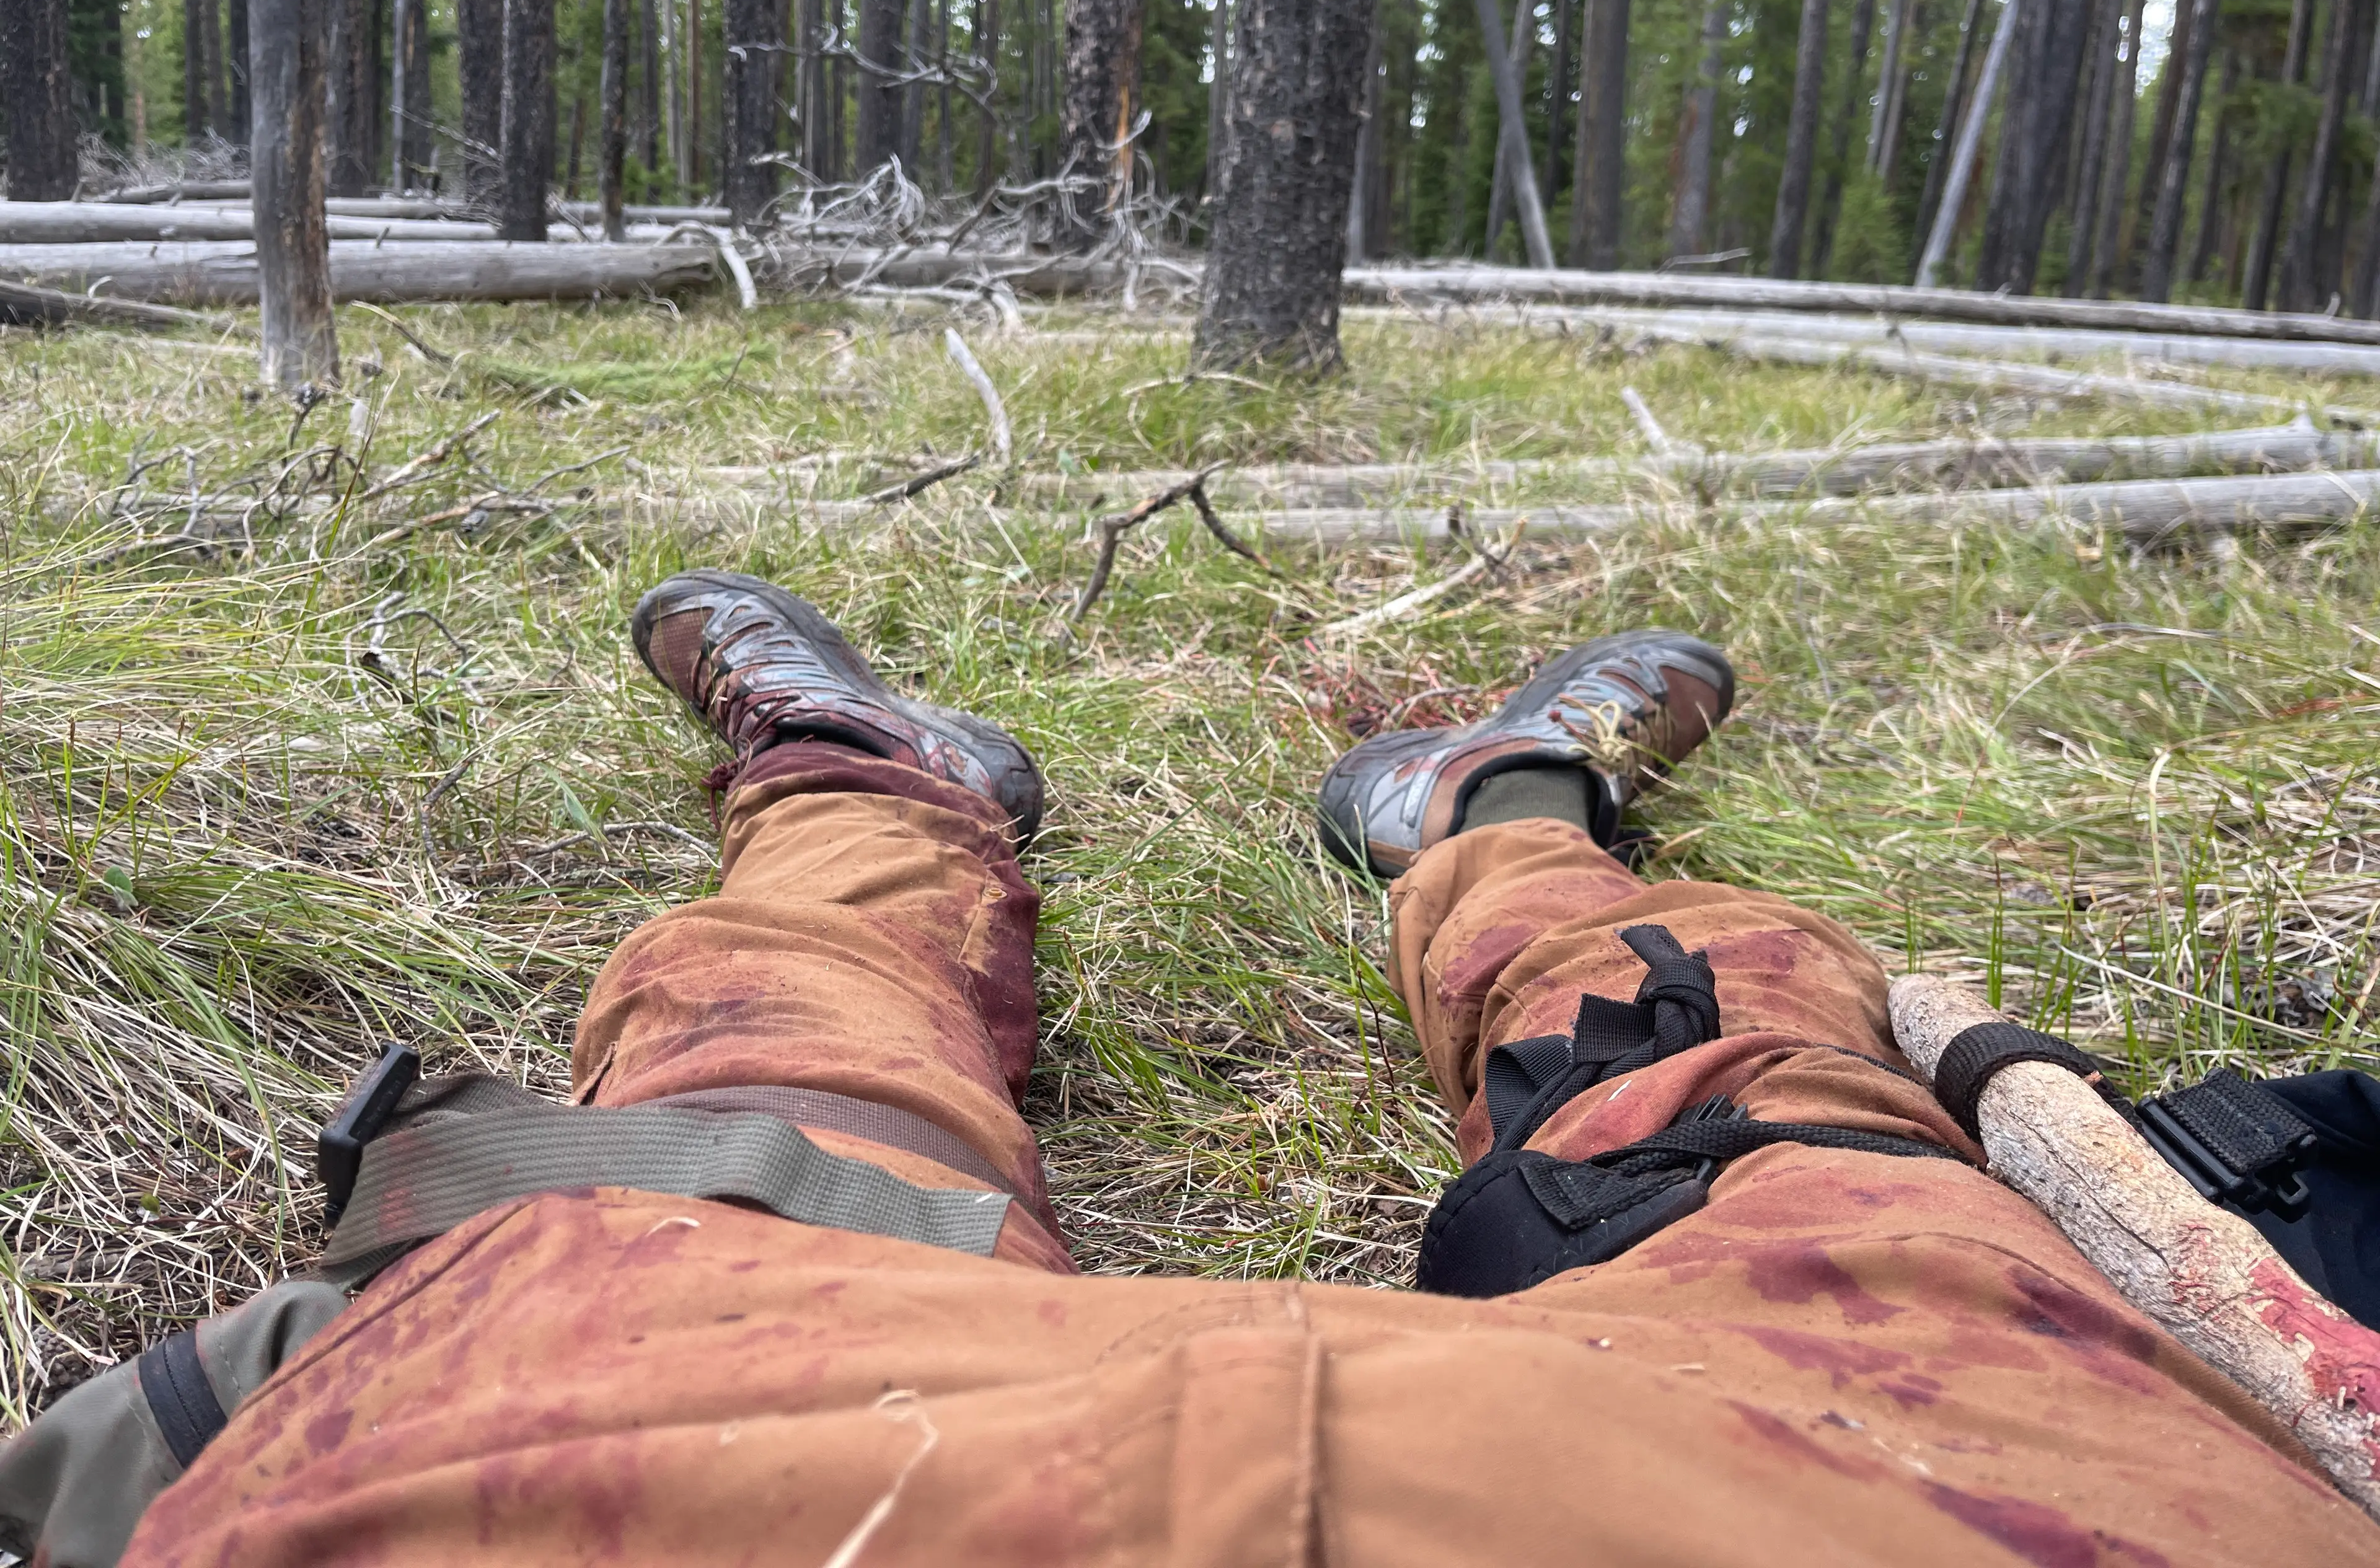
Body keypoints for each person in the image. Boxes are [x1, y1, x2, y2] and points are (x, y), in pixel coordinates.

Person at [13, 571, 2376, 1565]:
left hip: (642, 1479)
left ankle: (868, 781)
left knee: (771, 1099)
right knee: (1741, 1083)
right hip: (1927, 1494)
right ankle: (1509, 811)